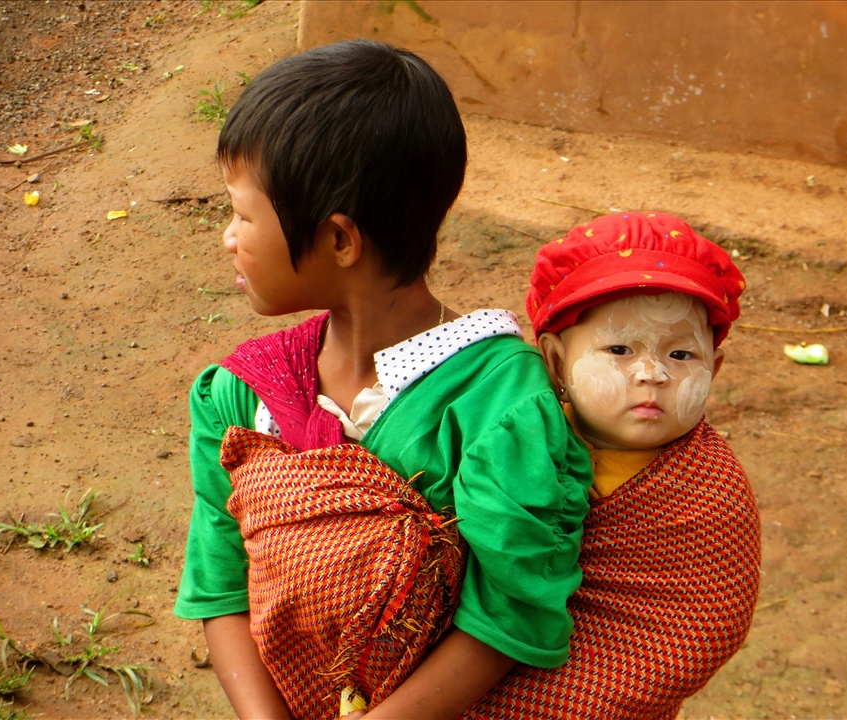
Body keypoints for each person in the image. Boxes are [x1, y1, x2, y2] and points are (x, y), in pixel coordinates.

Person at [172, 40, 592, 720]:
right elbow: (221, 586)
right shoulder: (241, 396)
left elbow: (510, 613)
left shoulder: (496, 406)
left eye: (243, 215)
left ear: (340, 241)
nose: (228, 236)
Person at [458, 211, 762, 719]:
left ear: (716, 368)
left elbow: (697, 632)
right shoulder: (509, 440)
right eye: (619, 348)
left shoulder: (710, 495)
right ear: (554, 362)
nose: (652, 373)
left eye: (683, 354)